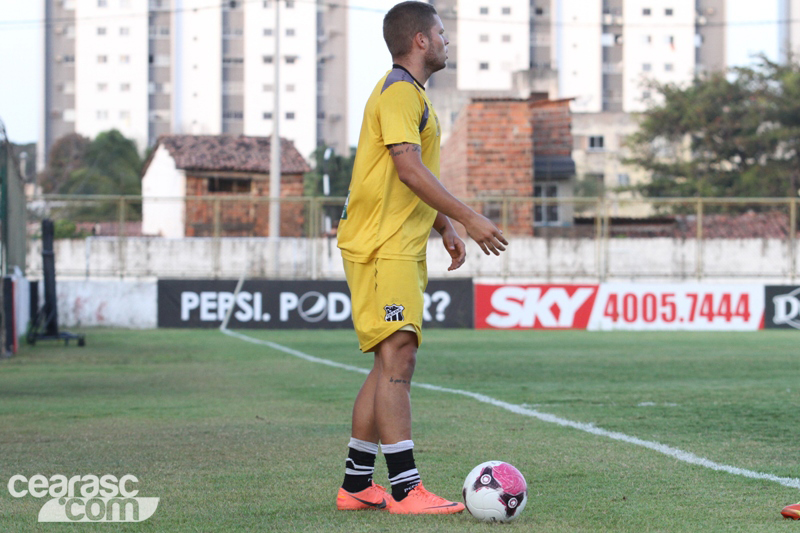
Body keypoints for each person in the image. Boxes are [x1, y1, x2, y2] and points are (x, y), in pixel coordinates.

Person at [335, 1, 508, 515]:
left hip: (399, 245)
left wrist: (445, 224)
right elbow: (407, 170)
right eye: (441, 32)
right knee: (399, 358)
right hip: (382, 245)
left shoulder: (412, 96)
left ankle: (357, 484)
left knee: (389, 359)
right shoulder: (397, 92)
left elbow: (409, 176)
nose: (447, 40)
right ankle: (407, 491)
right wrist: (472, 220)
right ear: (419, 41)